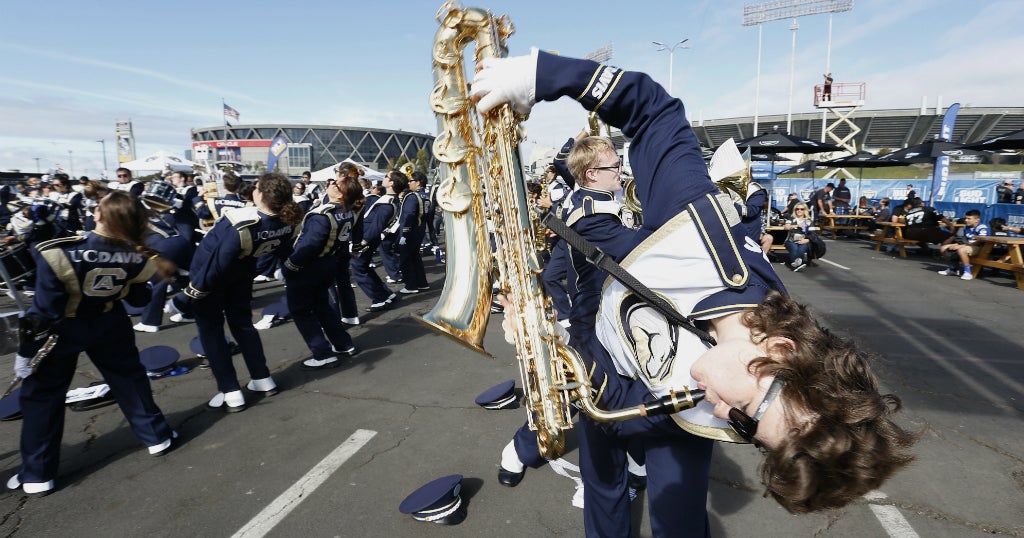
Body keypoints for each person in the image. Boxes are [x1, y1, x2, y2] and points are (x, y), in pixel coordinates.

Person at [472, 49, 915, 532]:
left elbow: (633, 389)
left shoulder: (728, 381)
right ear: (781, 349)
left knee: (677, 522)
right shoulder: (698, 233)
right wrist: (545, 74)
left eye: (744, 430)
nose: (723, 415)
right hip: (605, 357)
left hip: (631, 390)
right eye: (745, 414)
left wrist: (561, 354)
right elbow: (653, 110)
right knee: (610, 499)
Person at [7, 191, 178, 496]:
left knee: (42, 397)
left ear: (98, 215)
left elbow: (43, 312)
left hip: (62, 329)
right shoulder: (140, 257)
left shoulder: (57, 251)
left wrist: (26, 352)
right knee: (130, 381)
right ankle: (157, 437)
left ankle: (37, 473)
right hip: (110, 323)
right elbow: (140, 299)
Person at [172, 173, 303, 412]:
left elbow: (216, 264)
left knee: (211, 334)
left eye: (256, 187)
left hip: (212, 281)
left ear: (261, 194)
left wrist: (186, 296)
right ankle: (262, 378)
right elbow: (284, 251)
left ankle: (230, 391)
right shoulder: (287, 221)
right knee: (243, 327)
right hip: (242, 277)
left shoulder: (242, 220)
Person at [283, 175, 361, 369]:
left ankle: (323, 353)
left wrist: (291, 265)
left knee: (301, 310)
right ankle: (343, 344)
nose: (331, 184)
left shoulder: (323, 214)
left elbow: (309, 245)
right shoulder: (348, 212)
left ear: (341, 195)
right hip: (328, 262)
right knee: (322, 306)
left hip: (310, 266)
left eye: (336, 185)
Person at [351, 170, 401, 312]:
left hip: (367, 238)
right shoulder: (388, 199)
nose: (383, 178)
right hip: (369, 237)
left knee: (358, 269)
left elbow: (376, 226)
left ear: (391, 183)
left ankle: (379, 298)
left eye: (386, 176)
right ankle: (385, 294)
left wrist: (362, 242)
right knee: (364, 267)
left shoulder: (387, 203)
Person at [397, 171, 429, 293]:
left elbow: (409, 215)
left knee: (406, 258)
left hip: (410, 231)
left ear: (418, 182)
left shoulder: (412, 196)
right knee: (415, 257)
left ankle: (411, 286)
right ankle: (421, 283)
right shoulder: (425, 196)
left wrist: (404, 234)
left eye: (411, 181)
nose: (409, 183)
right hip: (420, 229)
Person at [937, 209, 989, 280]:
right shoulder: (966, 227)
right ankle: (953, 269)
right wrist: (956, 244)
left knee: (961, 250)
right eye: (966, 218)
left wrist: (961, 246)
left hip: (979, 247)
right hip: (967, 245)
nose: (966, 220)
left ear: (977, 220)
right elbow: (963, 239)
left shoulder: (982, 228)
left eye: (969, 219)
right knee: (943, 248)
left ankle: (968, 272)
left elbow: (980, 241)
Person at [783, 203, 813, 271]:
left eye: (802, 209)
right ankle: (797, 265)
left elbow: (813, 233)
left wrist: (807, 240)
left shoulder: (808, 221)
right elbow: (786, 227)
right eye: (797, 209)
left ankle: (795, 265)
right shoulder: (791, 219)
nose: (799, 210)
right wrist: (797, 225)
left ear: (805, 210)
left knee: (802, 248)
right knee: (794, 248)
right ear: (795, 210)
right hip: (791, 240)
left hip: (804, 240)